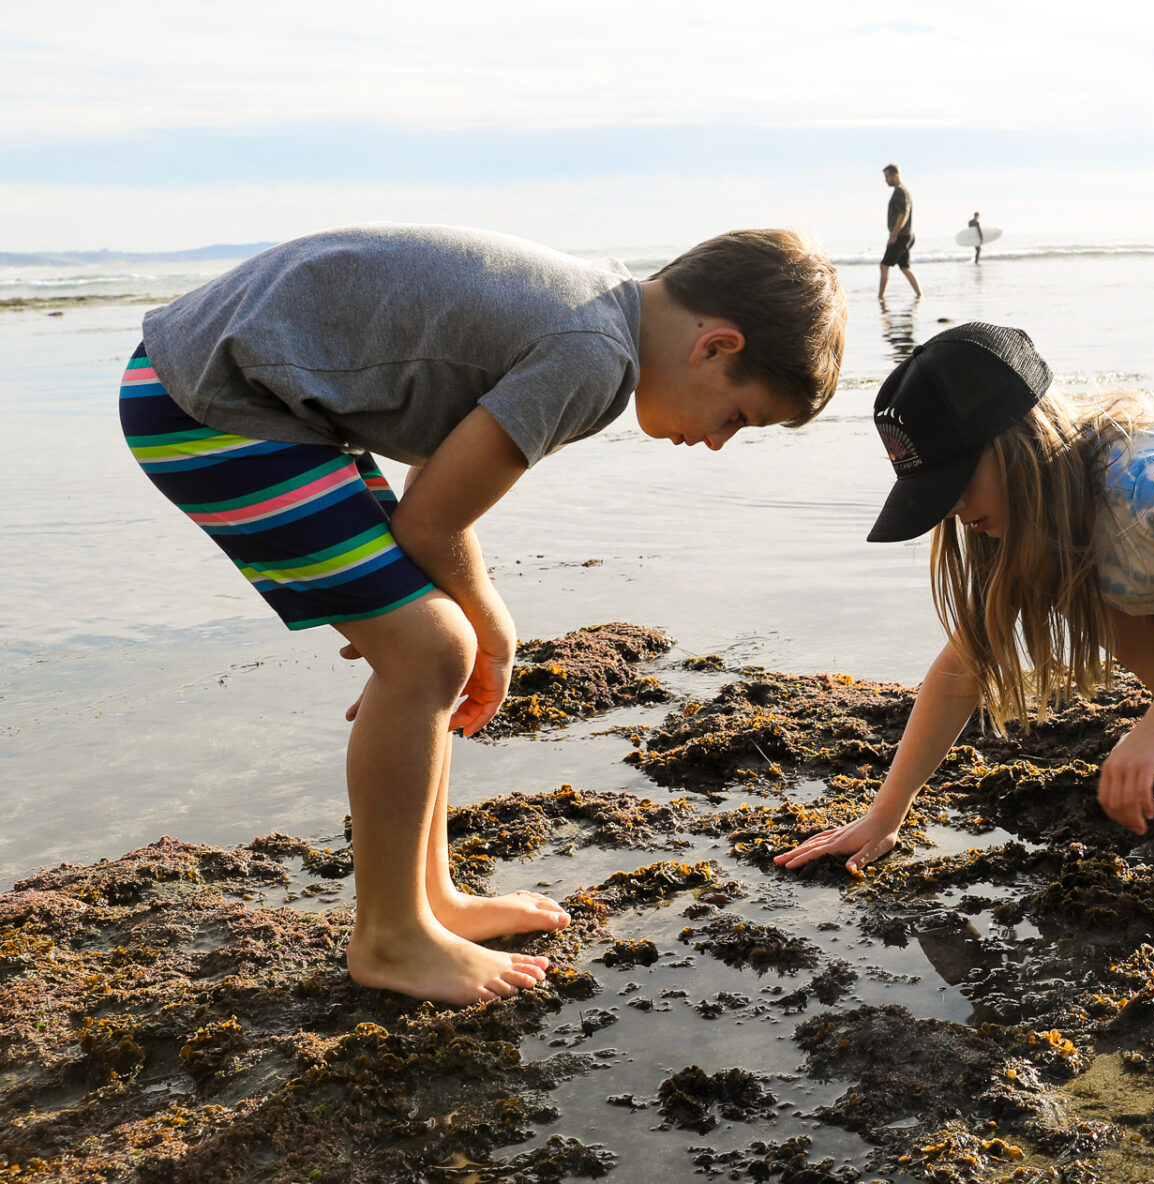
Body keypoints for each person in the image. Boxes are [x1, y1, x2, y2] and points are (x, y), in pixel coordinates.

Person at [121, 223, 846, 1003]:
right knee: (432, 651)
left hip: (232, 387)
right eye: (737, 417)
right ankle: (390, 939)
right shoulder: (596, 356)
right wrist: (490, 637)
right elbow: (430, 521)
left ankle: (432, 902)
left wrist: (438, 630)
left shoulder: (596, 308)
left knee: (431, 649)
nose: (714, 442)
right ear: (716, 347)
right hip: (212, 404)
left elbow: (440, 481)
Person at [774, 323, 1154, 874]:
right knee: (1057, 575)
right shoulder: (1022, 520)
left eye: (956, 486)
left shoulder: (1140, 472)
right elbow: (964, 664)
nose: (955, 512)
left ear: (1017, 443)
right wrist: (887, 813)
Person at [880, 163, 921, 299]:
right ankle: (919, 294)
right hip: (907, 235)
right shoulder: (903, 191)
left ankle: (880, 298)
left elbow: (903, 214)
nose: (886, 180)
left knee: (884, 265)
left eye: (887, 177)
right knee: (904, 267)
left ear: (895, 175)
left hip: (901, 235)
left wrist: (894, 234)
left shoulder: (900, 192)